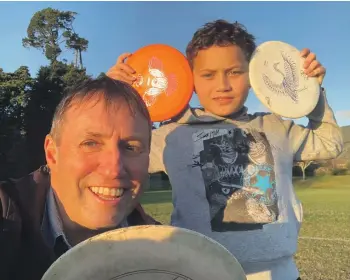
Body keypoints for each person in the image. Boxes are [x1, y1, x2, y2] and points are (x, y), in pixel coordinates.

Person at [107, 19, 343, 280]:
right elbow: (113, 153)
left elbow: (329, 142)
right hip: (198, 272)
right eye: (208, 75)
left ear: (253, 76)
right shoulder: (171, 135)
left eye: (234, 72)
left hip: (280, 274)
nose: (222, 85)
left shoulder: (276, 127)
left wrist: (313, 92)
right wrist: (114, 94)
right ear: (191, 80)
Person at [0, 76, 159, 280]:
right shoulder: (7, 218)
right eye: (91, 143)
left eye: (131, 147)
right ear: (52, 154)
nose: (114, 170)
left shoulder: (169, 253)